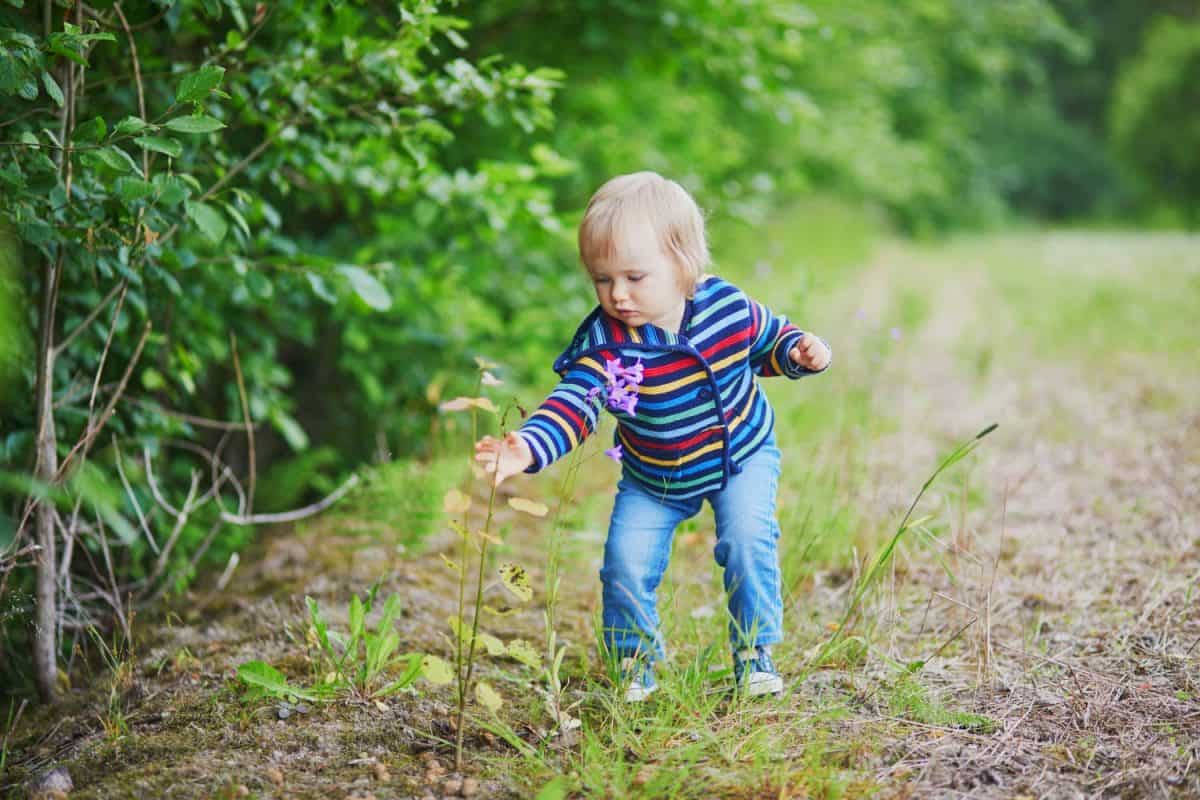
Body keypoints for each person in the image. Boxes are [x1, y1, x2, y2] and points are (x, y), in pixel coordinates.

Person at [475, 171, 831, 701]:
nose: (617, 294)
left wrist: (800, 352)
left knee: (747, 539)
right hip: (654, 477)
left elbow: (769, 344)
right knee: (625, 561)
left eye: (635, 277)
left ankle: (755, 650)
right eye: (602, 279)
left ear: (684, 264)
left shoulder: (726, 307)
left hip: (741, 456)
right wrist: (526, 446)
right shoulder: (605, 342)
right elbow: (576, 402)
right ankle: (635, 662)